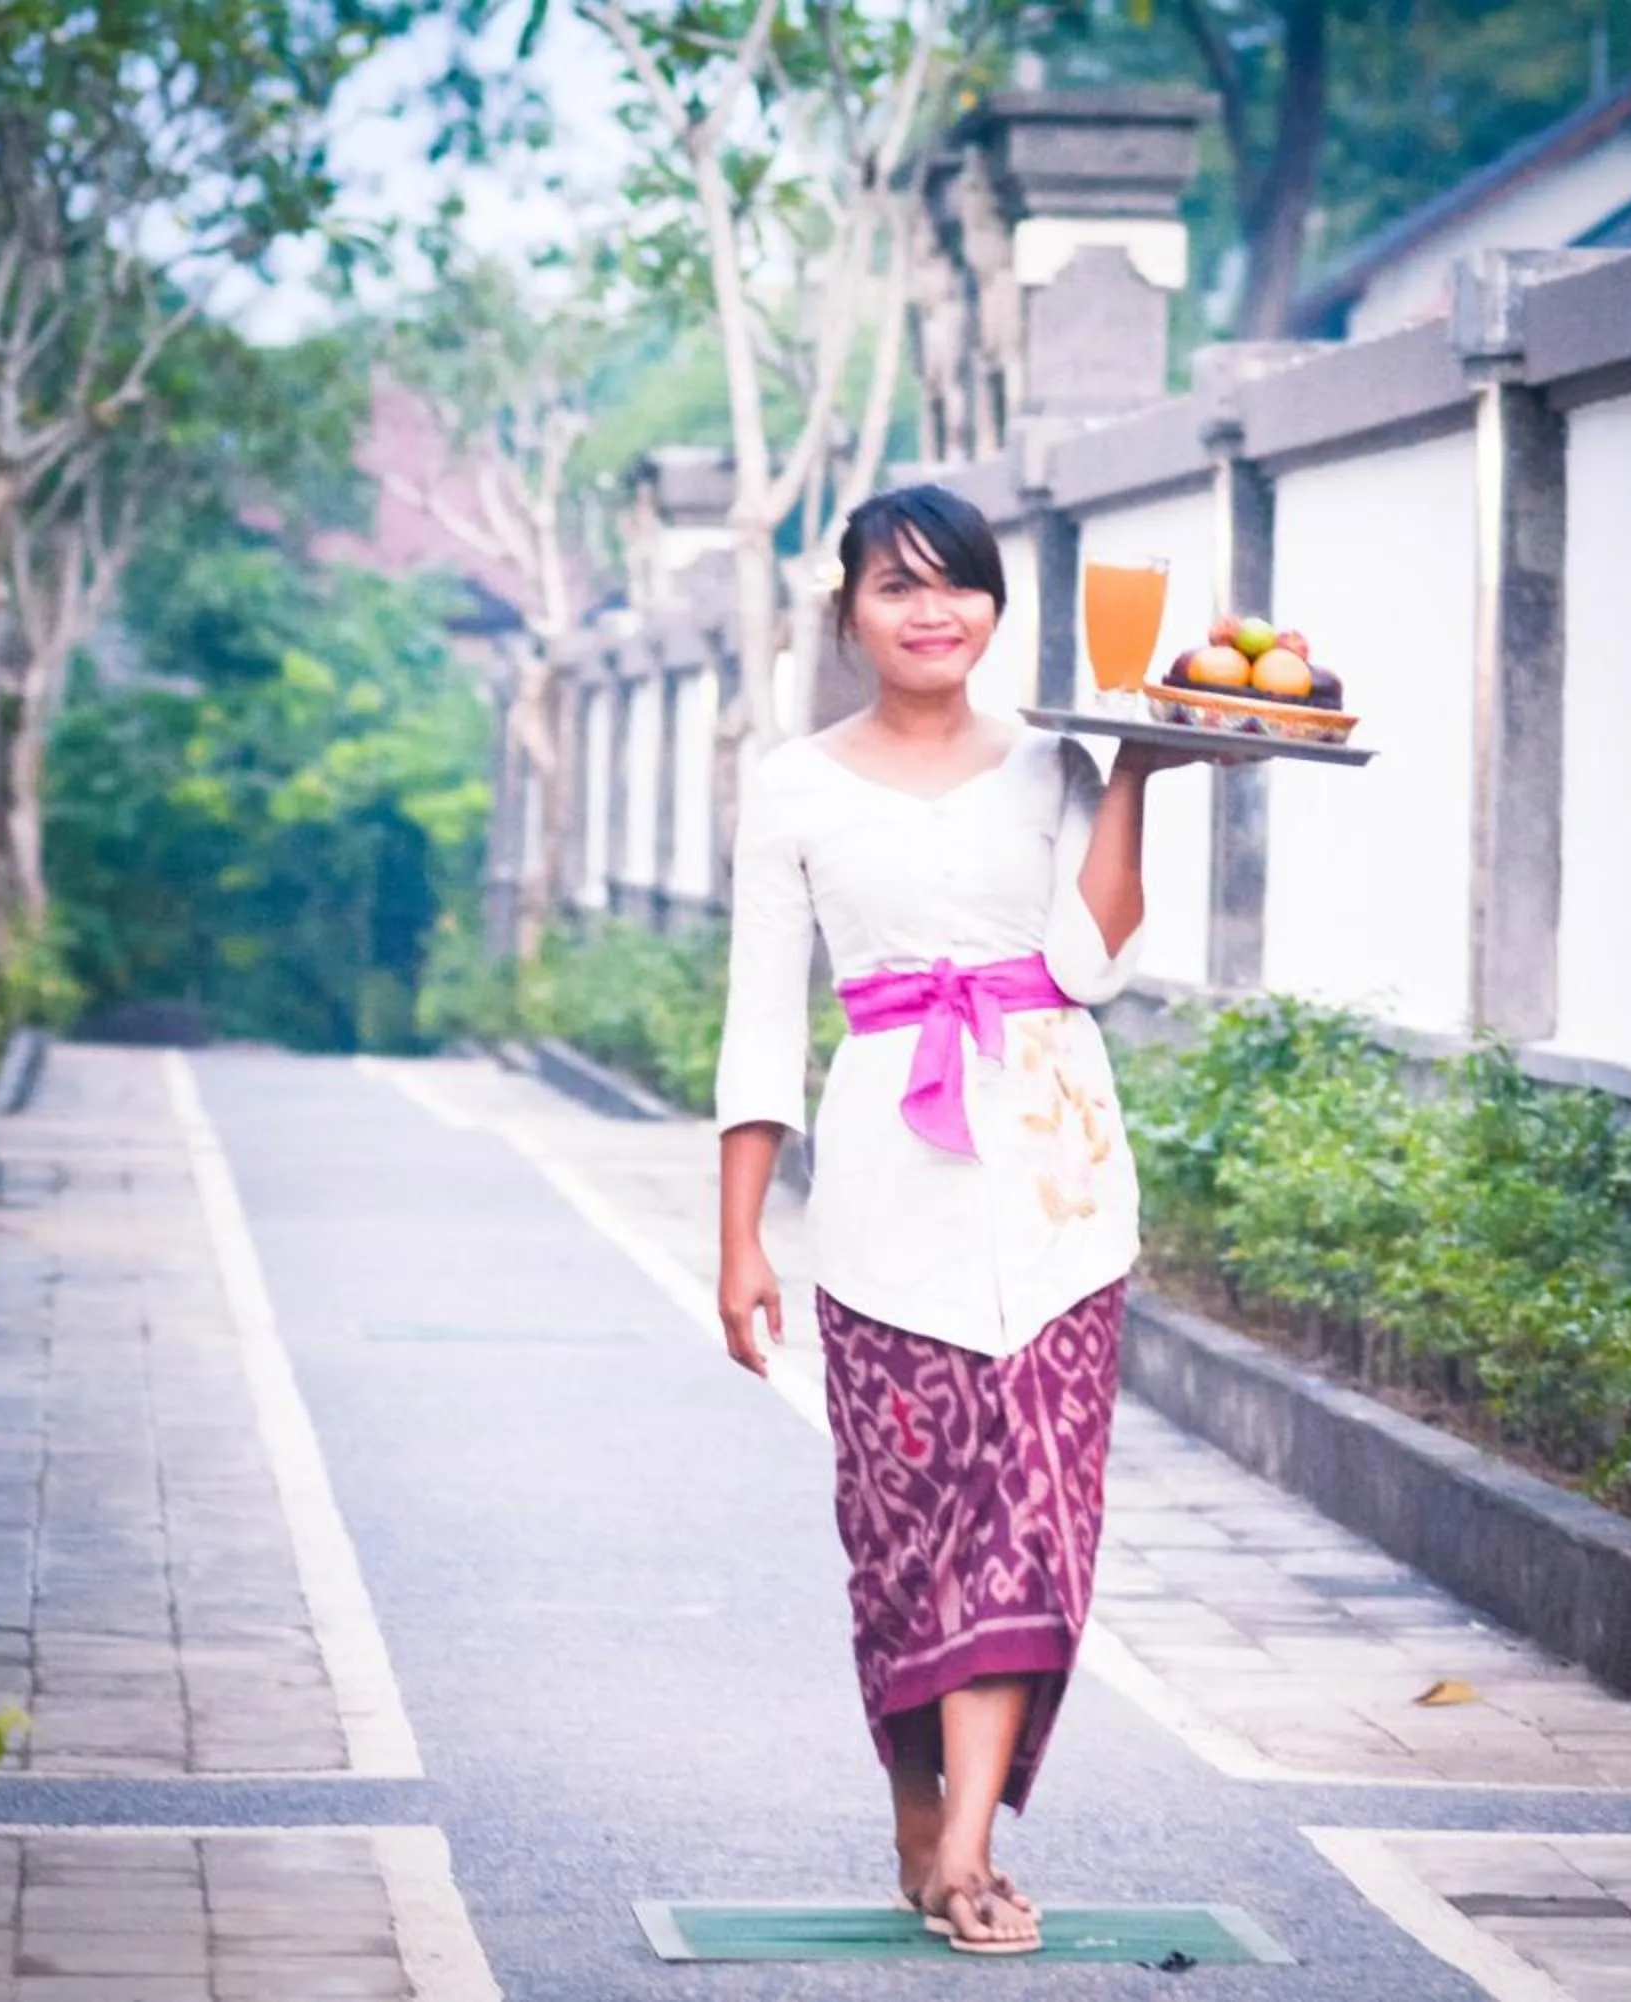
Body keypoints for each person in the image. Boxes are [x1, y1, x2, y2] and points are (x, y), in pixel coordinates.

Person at [710, 483, 1203, 1955]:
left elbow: (1091, 962)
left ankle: (973, 1846)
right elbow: (758, 1021)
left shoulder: (1052, 761)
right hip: (880, 1192)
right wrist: (741, 1234)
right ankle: (918, 1801)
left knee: (1029, 1523)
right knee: (904, 1529)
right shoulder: (794, 784)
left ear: (995, 607)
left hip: (1059, 1184)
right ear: (850, 611)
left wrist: (1131, 777)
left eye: (960, 585)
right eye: (897, 586)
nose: (933, 611)